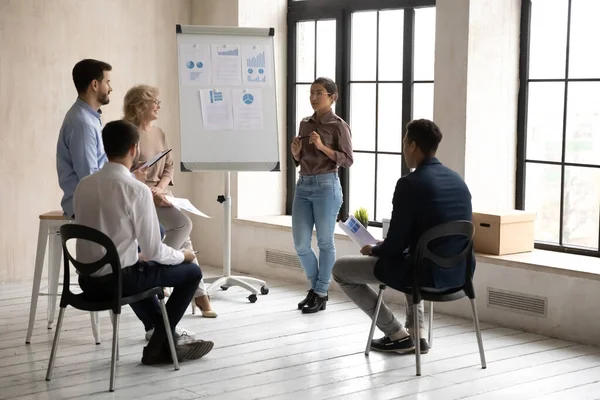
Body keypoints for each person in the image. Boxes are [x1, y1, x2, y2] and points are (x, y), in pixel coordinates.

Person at [55, 60, 190, 339]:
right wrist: (132, 183)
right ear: (95, 84)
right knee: (153, 260)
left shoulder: (91, 118)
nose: (110, 87)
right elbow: (89, 175)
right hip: (97, 209)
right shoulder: (82, 123)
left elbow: (96, 175)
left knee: (141, 255)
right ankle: (162, 333)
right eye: (107, 81)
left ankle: (157, 330)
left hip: (88, 273)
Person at [74, 119, 214, 365]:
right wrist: (184, 256)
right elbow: (155, 249)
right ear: (134, 149)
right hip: (118, 282)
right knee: (191, 272)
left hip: (87, 282)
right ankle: (161, 344)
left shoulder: (83, 185)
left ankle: (165, 340)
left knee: (139, 269)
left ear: (105, 148)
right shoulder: (135, 190)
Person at [332, 119, 474, 354]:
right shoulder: (458, 180)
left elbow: (395, 246)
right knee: (414, 256)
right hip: (461, 273)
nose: (403, 147)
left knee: (340, 269)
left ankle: (396, 333)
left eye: (405, 142)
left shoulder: (410, 184)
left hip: (423, 275)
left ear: (413, 146)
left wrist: (376, 248)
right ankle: (418, 335)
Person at [123, 84, 216, 318]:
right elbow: (124, 173)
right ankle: (166, 274)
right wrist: (151, 193)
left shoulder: (159, 132)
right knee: (184, 229)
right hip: (139, 195)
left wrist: (161, 189)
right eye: (155, 102)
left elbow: (170, 165)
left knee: (184, 237)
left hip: (160, 194)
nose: (158, 106)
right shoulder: (127, 132)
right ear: (141, 104)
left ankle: (194, 293)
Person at [291, 77, 353, 314]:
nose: (313, 98)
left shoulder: (339, 126)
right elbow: (301, 159)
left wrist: (323, 148)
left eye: (319, 93)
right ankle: (318, 289)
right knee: (300, 243)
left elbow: (347, 160)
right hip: (303, 185)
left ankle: (319, 292)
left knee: (325, 242)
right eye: (311, 93)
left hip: (327, 186)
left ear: (332, 97)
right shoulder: (305, 123)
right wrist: (296, 154)